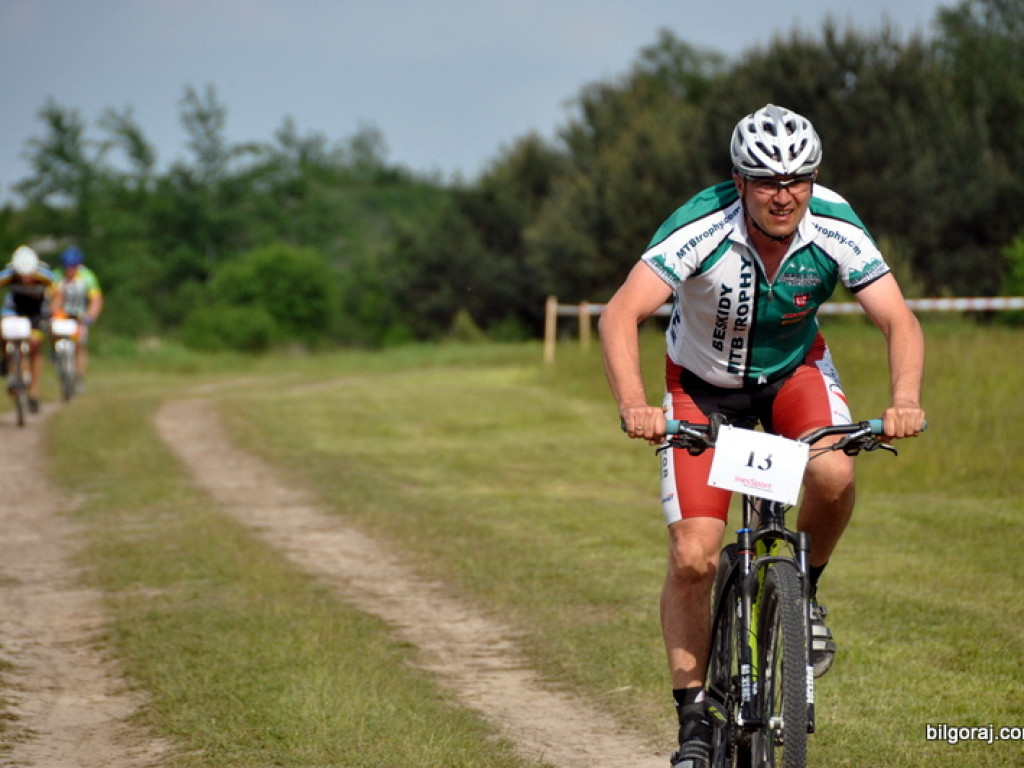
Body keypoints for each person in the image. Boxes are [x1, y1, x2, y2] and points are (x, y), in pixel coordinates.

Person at [598, 104, 926, 768]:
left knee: (833, 471)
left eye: (797, 179)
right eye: (767, 180)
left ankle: (805, 594)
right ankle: (695, 719)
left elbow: (899, 319)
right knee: (694, 556)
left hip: (792, 377)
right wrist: (635, 404)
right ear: (739, 181)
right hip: (702, 388)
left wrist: (904, 400)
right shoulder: (702, 225)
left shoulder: (834, 224)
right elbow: (620, 314)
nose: (784, 195)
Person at [0, 245, 56, 413]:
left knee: (35, 346)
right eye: (21, 276)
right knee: (3, 330)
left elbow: (58, 293)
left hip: (36, 312)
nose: (25, 280)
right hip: (14, 309)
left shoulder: (45, 276)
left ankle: (33, 394)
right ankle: (6, 358)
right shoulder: (8, 275)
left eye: (29, 275)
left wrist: (53, 310)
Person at [51, 246, 103, 388]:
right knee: (53, 331)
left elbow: (96, 300)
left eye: (72, 267)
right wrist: (51, 312)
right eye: (67, 266)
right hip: (61, 314)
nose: (69, 270)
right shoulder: (56, 276)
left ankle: (79, 377)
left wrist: (91, 316)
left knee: (80, 344)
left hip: (80, 315)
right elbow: (52, 297)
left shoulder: (87, 277)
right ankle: (54, 353)